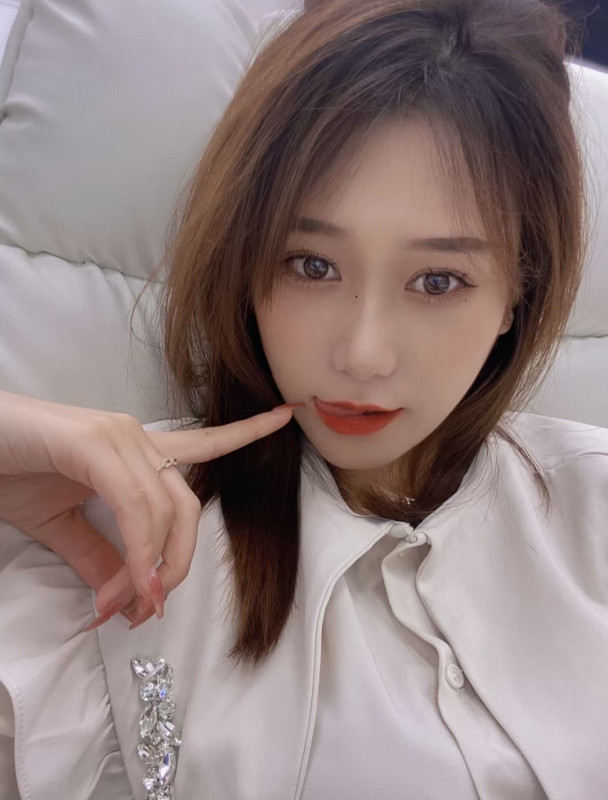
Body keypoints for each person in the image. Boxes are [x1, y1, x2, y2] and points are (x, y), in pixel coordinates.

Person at [1, 0, 606, 797]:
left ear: (516, 296)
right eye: (312, 265)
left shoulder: (593, 501)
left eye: (438, 280)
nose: (362, 355)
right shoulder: (125, 532)